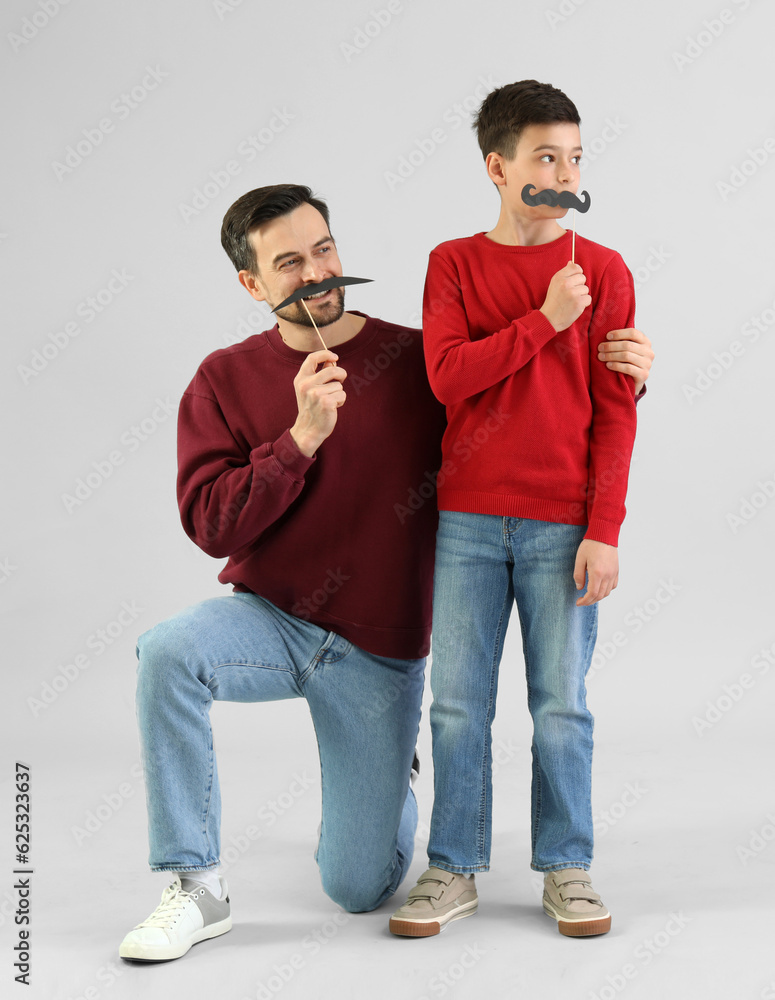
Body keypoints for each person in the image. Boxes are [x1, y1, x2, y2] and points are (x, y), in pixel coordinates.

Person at [118, 180, 654, 963]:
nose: (315, 272)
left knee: (358, 889)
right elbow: (208, 526)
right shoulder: (223, 379)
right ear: (252, 284)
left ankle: (389, 772)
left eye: (324, 249)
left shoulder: (413, 361)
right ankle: (193, 884)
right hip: (268, 621)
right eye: (289, 262)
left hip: (378, 651)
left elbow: (519, 414)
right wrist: (297, 440)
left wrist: (625, 374)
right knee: (165, 652)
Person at [389, 80, 647, 940]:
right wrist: (545, 319)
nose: (563, 172)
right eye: (545, 157)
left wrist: (603, 530)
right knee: (457, 702)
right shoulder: (452, 264)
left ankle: (565, 866)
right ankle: (451, 868)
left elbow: (615, 410)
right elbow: (448, 377)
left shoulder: (603, 270)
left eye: (573, 156)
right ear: (497, 168)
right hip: (464, 521)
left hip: (562, 524)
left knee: (560, 704)